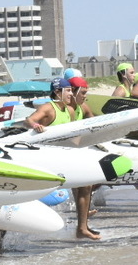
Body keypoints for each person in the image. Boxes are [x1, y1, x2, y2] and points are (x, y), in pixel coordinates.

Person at [22, 78, 99, 240]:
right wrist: (36, 126)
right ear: (58, 92)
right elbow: (28, 120)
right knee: (23, 197)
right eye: (68, 90)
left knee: (86, 184)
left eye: (72, 90)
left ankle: (82, 228)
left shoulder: (70, 111)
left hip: (62, 158)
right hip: (43, 159)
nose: (71, 94)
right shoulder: (48, 108)